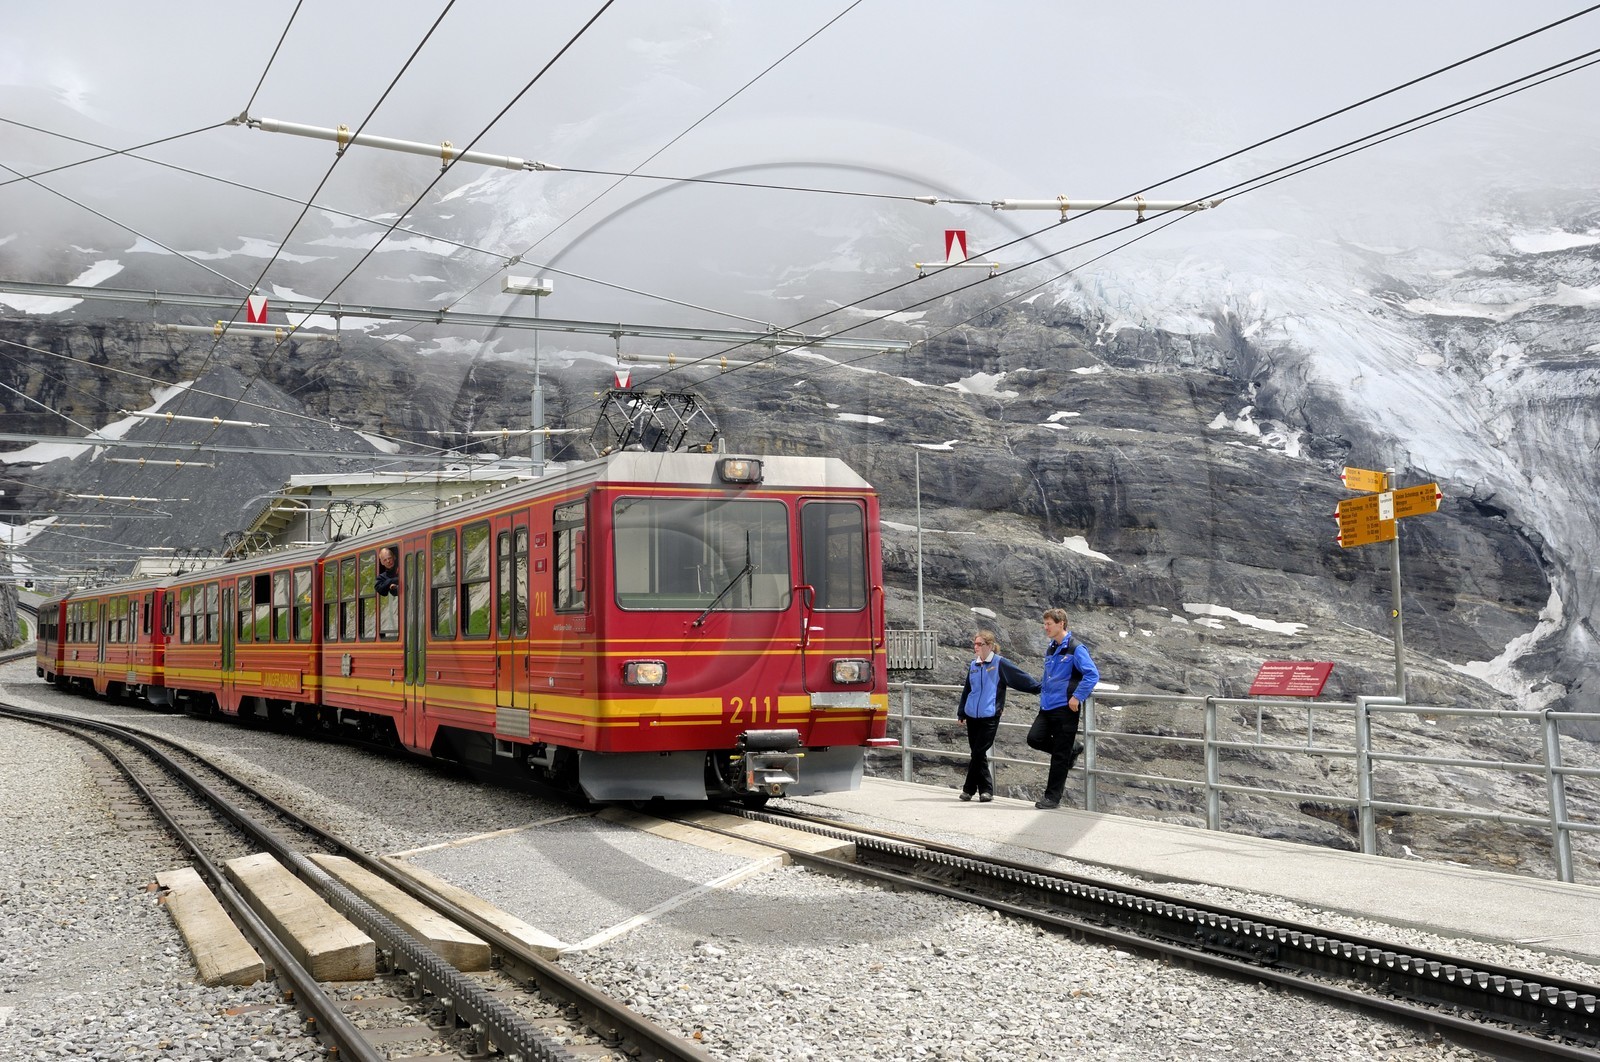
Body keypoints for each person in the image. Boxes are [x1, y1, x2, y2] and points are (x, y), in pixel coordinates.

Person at [954, 630, 1040, 802]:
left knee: (978, 751)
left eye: (980, 644)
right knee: (978, 753)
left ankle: (968, 789)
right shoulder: (973, 665)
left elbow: (1019, 677)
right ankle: (986, 791)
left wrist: (1038, 687)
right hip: (972, 715)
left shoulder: (999, 663)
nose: (976, 647)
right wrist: (961, 711)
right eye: (975, 644)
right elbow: (968, 689)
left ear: (990, 646)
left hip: (990, 715)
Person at [1031, 608, 1099, 809]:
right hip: (1047, 706)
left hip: (1065, 708)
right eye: (1044, 624)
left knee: (1060, 755)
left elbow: (1092, 674)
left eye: (1049, 624)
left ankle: (1052, 798)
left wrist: (1077, 696)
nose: (1045, 628)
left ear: (1061, 624)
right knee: (1034, 738)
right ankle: (1073, 748)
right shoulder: (1051, 648)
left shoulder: (1076, 648)